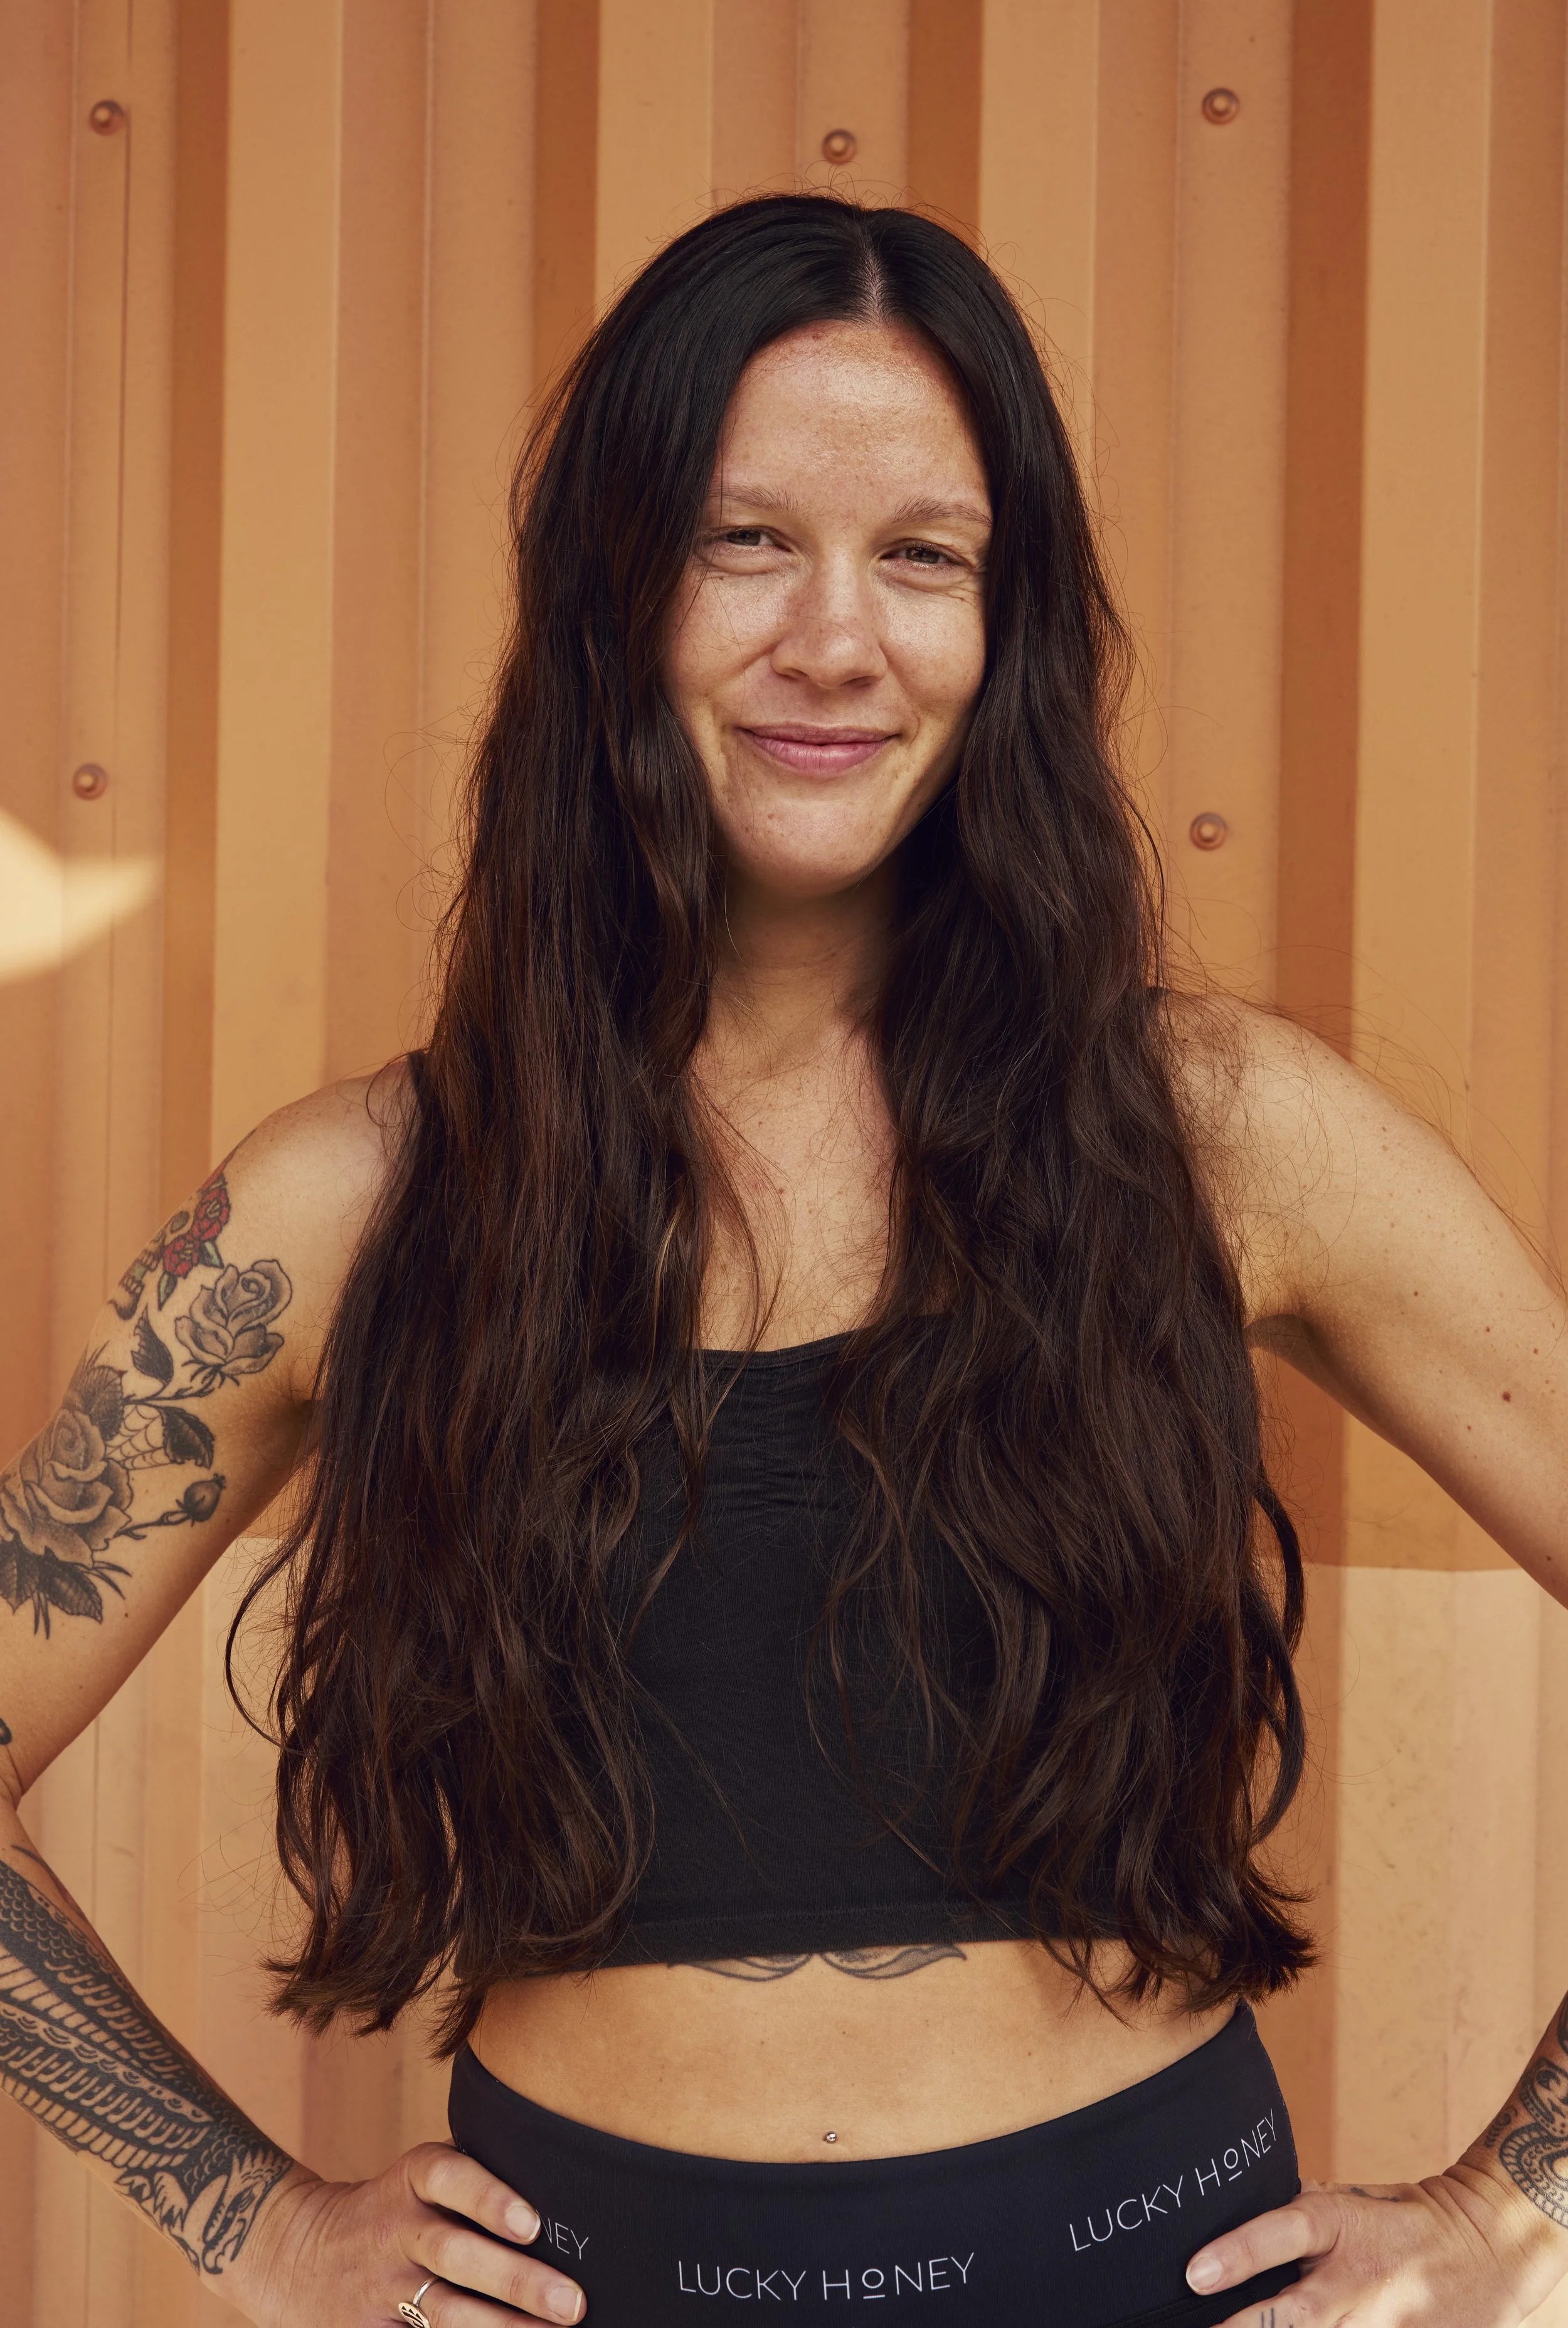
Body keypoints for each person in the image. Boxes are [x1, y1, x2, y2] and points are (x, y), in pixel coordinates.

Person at [1, 194, 1565, 2328]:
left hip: (1144, 2273)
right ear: (610, 594)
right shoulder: (348, 1203)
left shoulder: (1224, 1133)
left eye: (921, 554)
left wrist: (1503, 2205)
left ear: (1005, 626)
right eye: (746, 540)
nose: (836, 639)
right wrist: (248, 2215)